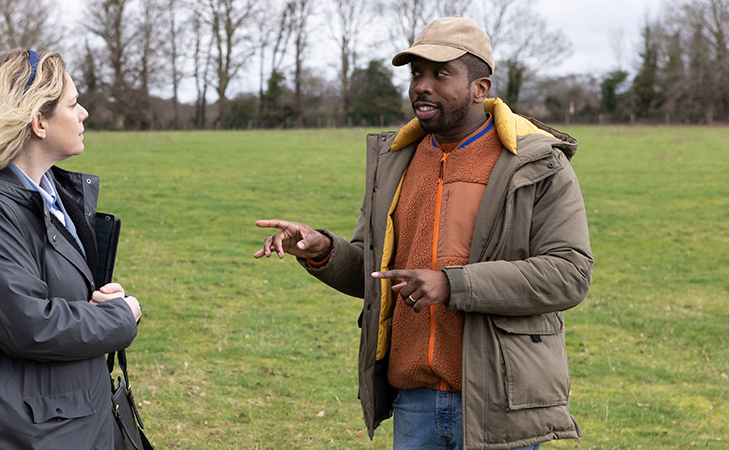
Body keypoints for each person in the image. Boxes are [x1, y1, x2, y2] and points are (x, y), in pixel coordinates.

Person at [254, 16, 593, 450]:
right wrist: (322, 250)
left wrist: (453, 285)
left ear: (480, 88)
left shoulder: (537, 164)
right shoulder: (396, 161)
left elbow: (569, 273)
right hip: (414, 403)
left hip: (498, 400)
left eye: (440, 73)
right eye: (416, 73)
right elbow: (374, 272)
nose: (421, 86)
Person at [0, 49, 142, 449]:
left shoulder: (53, 195)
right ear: (39, 121)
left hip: (63, 420)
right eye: (73, 104)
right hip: (17, 433)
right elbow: (29, 325)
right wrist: (120, 317)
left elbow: (54, 294)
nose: (85, 114)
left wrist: (103, 301)